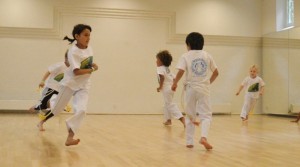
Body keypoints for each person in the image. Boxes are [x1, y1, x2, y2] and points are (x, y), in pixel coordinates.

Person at [40, 24, 98, 146]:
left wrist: (92, 65)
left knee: (82, 110)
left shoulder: (89, 48)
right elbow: (76, 72)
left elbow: (86, 63)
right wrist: (92, 70)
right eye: (86, 35)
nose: (89, 37)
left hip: (84, 85)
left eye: (89, 35)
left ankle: (70, 138)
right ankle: (41, 122)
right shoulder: (73, 51)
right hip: (69, 84)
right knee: (56, 110)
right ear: (77, 36)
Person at [172, 32, 219, 150]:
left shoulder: (185, 56)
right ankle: (203, 137)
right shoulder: (207, 55)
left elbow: (181, 71)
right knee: (206, 116)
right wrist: (208, 83)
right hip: (204, 89)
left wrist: (175, 83)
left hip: (190, 89)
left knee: (190, 115)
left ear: (188, 44)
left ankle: (189, 142)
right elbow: (216, 73)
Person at [29, 51, 70, 131]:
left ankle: (41, 122)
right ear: (66, 58)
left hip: (60, 90)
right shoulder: (60, 65)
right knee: (44, 105)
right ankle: (38, 106)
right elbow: (48, 71)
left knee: (55, 109)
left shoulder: (72, 68)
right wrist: (42, 81)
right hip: (51, 87)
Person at [156, 50, 185, 127]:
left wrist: (160, 86)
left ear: (162, 61)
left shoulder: (160, 68)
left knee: (169, 104)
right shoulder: (167, 68)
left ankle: (182, 119)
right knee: (166, 104)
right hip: (170, 88)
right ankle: (168, 120)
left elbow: (161, 77)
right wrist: (174, 85)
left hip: (166, 88)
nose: (156, 61)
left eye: (157, 59)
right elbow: (174, 78)